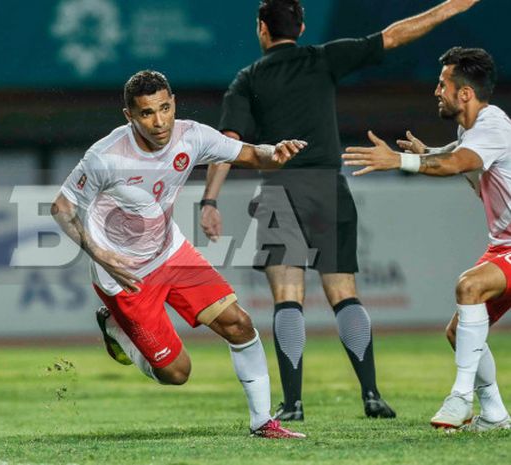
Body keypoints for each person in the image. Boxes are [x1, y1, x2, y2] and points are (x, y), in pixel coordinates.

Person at [200, 0, 482, 421]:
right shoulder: (322, 59)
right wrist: (448, 8)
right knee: (344, 294)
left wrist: (209, 200)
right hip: (328, 188)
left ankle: (293, 404)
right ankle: (371, 395)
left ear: (262, 28)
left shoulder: (248, 79)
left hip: (279, 189)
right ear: (302, 26)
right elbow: (394, 35)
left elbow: (227, 142)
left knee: (288, 299)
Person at [51, 70, 308, 438]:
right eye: (146, 113)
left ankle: (263, 422)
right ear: (129, 116)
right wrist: (99, 253)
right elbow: (61, 207)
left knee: (239, 324)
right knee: (177, 373)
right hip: (124, 274)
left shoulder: (193, 136)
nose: (159, 122)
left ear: (173, 102)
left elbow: (252, 155)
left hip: (171, 252)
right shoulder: (105, 157)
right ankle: (115, 327)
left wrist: (276, 152)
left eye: (165, 108)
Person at [343, 47, 510, 432]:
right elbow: (453, 153)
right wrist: (427, 153)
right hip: (504, 244)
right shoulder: (473, 130)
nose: (436, 91)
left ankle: (460, 398)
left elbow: (455, 164)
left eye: (443, 84)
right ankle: (495, 415)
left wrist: (398, 162)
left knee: (469, 286)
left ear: (464, 93)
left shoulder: (493, 127)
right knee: (459, 332)